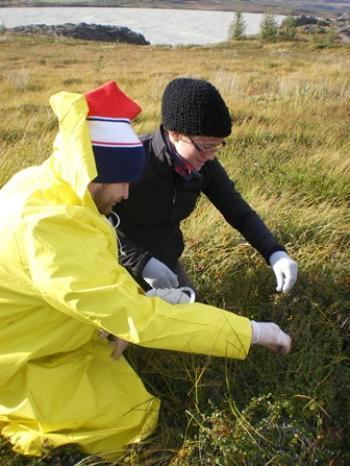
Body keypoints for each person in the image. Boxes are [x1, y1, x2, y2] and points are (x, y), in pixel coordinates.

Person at [0, 81, 292, 461]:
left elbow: (94, 268)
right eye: (123, 182)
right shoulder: (49, 230)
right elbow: (140, 316)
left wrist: (275, 252)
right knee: (126, 423)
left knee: (124, 388)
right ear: (95, 172)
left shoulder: (54, 185)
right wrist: (254, 332)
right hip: (19, 353)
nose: (125, 193)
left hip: (50, 322)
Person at [113, 78, 298, 294]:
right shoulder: (131, 159)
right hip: (115, 266)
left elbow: (238, 211)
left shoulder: (204, 166)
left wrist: (275, 253)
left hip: (166, 264)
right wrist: (141, 262)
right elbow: (94, 222)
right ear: (176, 133)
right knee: (120, 326)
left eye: (217, 146)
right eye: (205, 147)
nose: (211, 156)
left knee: (192, 322)